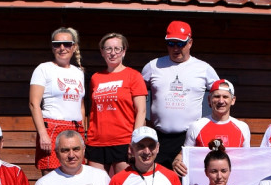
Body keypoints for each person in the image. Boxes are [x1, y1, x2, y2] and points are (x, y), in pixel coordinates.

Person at [140, 21, 221, 173]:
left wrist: (210, 123)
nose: (175, 48)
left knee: (185, 183)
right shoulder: (153, 66)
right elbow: (136, 94)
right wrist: (144, 122)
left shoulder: (203, 68)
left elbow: (222, 95)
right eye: (171, 44)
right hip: (159, 137)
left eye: (180, 44)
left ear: (190, 43)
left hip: (188, 138)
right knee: (158, 184)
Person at [85, 32, 147, 175]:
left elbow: (141, 111)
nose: (113, 53)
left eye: (117, 49)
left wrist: (135, 142)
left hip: (123, 141)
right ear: (102, 52)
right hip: (97, 142)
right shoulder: (96, 78)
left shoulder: (134, 76)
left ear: (123, 51)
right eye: (108, 49)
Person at [30, 27, 86, 174]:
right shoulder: (44, 69)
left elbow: (81, 105)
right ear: (52, 47)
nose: (62, 48)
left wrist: (83, 131)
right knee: (51, 176)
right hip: (53, 127)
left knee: (75, 174)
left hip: (76, 128)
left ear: (74, 47)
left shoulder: (78, 72)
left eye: (67, 44)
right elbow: (34, 104)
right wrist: (43, 133)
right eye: (57, 44)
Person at [181, 79, 251, 152]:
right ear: (209, 100)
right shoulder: (196, 126)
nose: (221, 101)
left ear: (233, 100)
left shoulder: (243, 127)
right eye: (217, 96)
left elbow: (246, 157)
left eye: (225, 97)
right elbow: (185, 156)